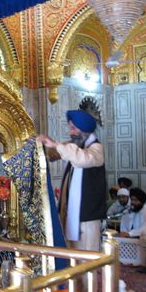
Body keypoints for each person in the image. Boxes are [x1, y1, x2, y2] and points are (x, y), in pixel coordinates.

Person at [38, 108, 106, 253]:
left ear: (84, 129)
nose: (71, 132)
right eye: (70, 128)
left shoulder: (96, 149)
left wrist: (55, 144)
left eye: (74, 128)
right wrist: (40, 146)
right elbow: (53, 155)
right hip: (70, 215)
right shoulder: (76, 147)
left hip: (86, 218)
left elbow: (81, 158)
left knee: (86, 260)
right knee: (72, 257)